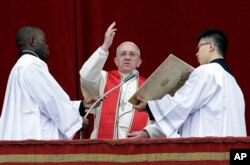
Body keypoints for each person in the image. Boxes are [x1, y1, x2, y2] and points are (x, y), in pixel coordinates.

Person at [128, 29, 247, 138]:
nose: (196, 54)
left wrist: (149, 106)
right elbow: (186, 114)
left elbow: (181, 104)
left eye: (198, 48)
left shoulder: (206, 71)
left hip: (210, 151)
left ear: (211, 46)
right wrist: (149, 133)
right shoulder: (235, 86)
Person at [0, 26, 99, 140]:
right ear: (32, 41)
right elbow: (50, 100)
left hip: (20, 137)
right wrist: (76, 121)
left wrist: (81, 106)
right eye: (44, 40)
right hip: (34, 139)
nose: (47, 45)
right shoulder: (31, 65)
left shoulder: (20, 66)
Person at [79, 22, 149, 139]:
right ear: (116, 61)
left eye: (132, 54)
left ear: (139, 62)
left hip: (135, 147)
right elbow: (86, 75)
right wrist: (105, 47)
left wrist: (147, 133)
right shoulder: (103, 78)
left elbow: (157, 117)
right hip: (103, 148)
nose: (127, 57)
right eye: (123, 54)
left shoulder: (148, 85)